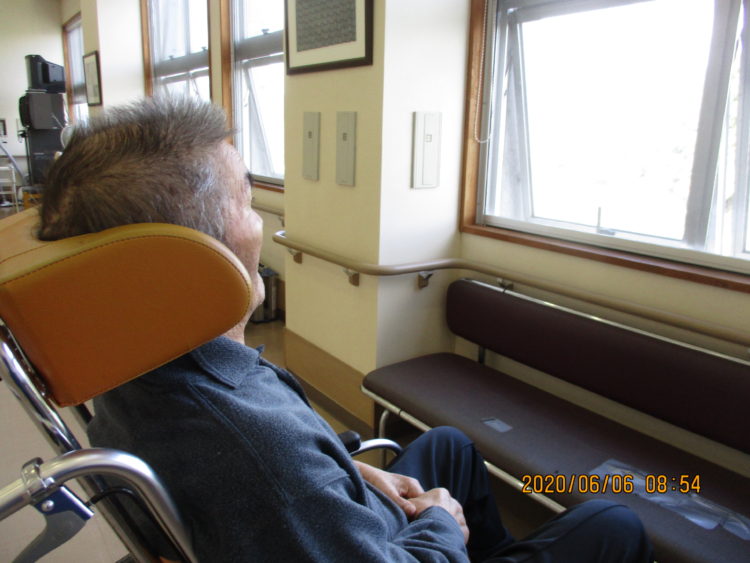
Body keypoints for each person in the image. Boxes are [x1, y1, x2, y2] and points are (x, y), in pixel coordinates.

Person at [39, 97, 654, 562]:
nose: (263, 225)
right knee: (615, 522)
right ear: (191, 259)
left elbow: (291, 476)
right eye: (247, 203)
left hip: (323, 524)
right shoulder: (262, 455)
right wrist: (440, 525)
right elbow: (282, 476)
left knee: (450, 446)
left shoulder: (129, 365)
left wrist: (352, 470)